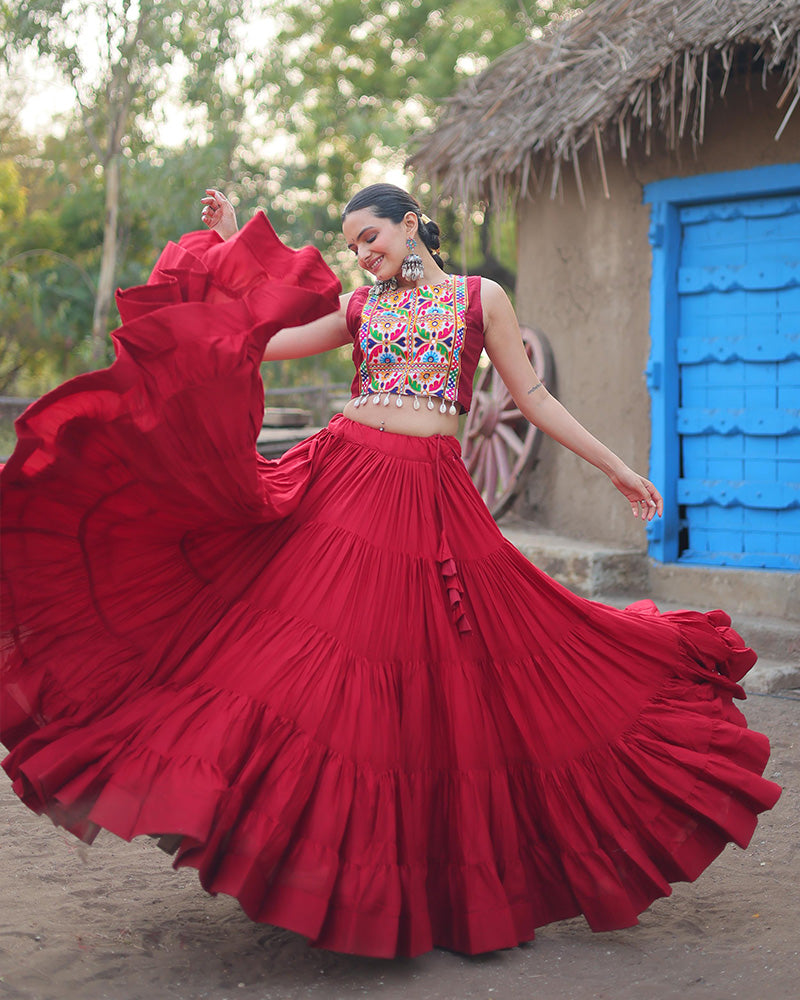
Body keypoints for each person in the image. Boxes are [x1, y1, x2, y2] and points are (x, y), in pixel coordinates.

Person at [0, 182, 780, 960]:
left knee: (456, 672)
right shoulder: (358, 308)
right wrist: (230, 247)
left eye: (371, 237)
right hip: (344, 485)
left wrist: (615, 468)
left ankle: (432, 884)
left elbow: (533, 396)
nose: (363, 254)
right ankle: (307, 856)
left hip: (432, 497)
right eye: (352, 246)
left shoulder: (481, 299)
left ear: (412, 224)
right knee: (321, 668)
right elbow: (255, 341)